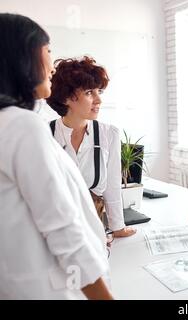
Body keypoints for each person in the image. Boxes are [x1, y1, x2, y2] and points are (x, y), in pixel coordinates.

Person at [0, 13, 112, 299]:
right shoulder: (23, 126)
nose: (51, 65)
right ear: (21, 57)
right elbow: (63, 229)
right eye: (47, 51)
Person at [46, 57, 136, 238]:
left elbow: (112, 187)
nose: (98, 100)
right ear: (66, 98)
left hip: (94, 234)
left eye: (99, 91)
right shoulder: (45, 134)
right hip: (53, 234)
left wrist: (118, 228)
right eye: (89, 92)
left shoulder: (109, 134)